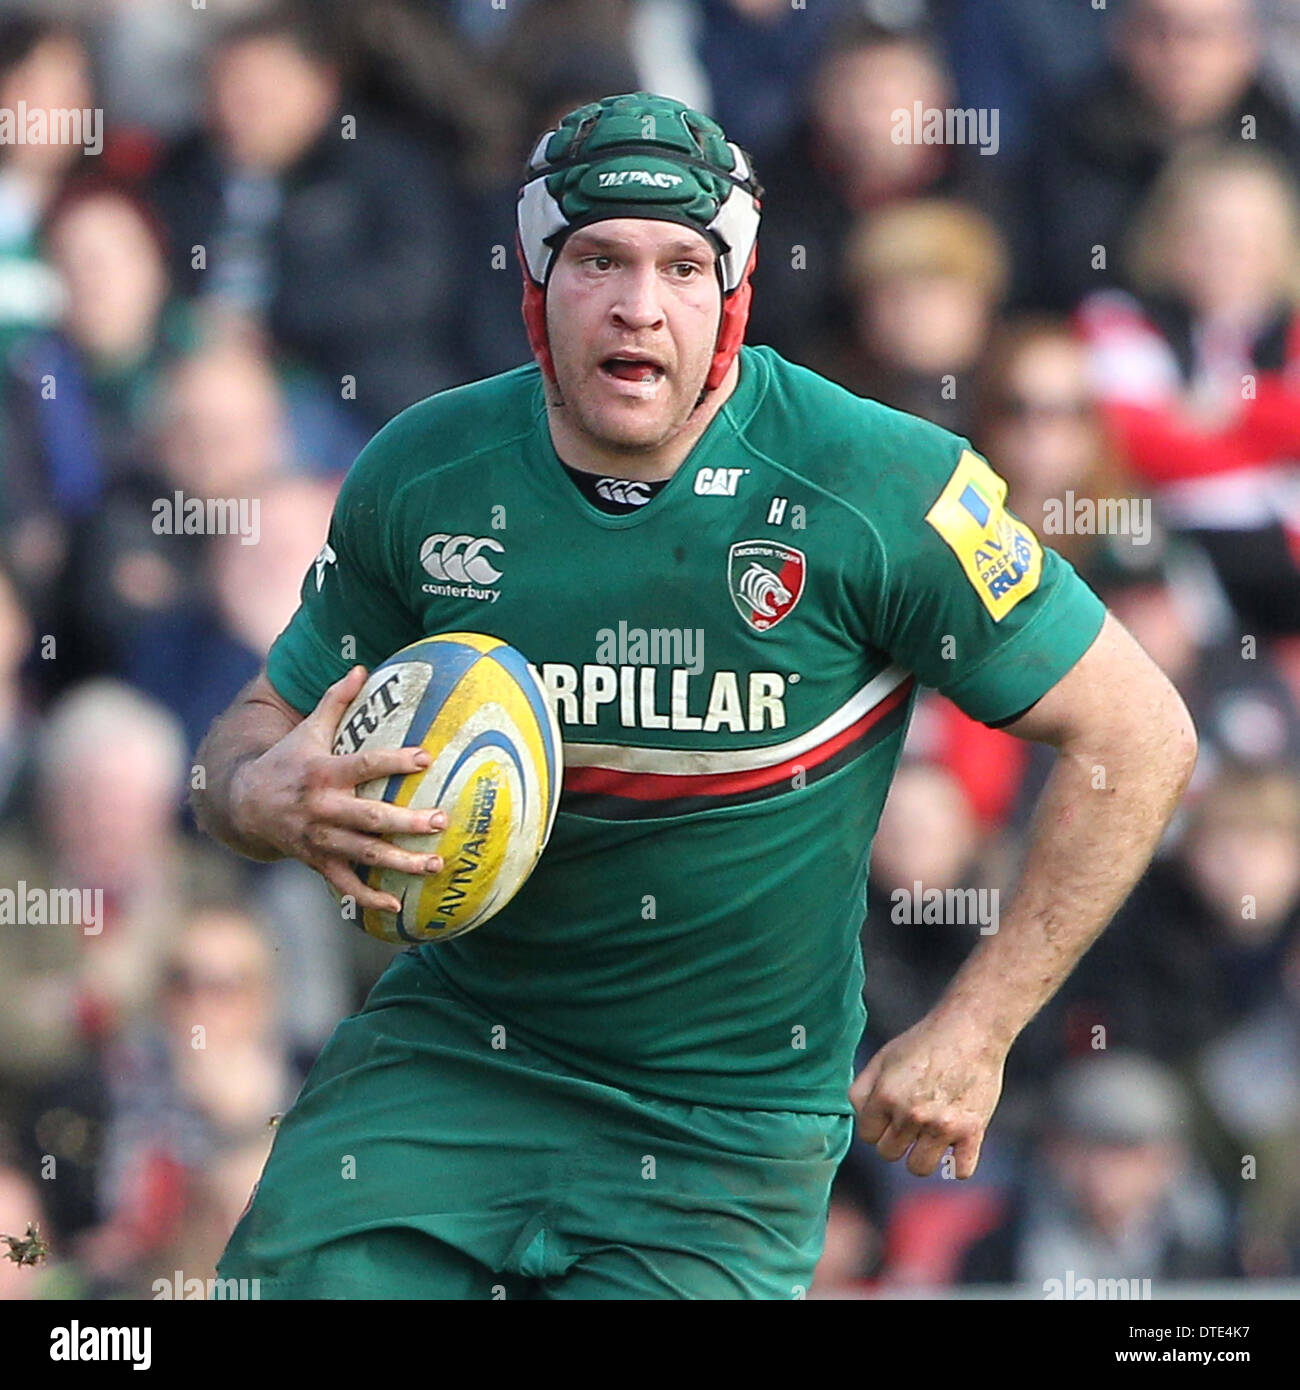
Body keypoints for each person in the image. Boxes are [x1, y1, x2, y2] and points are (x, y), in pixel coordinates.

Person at [192, 92, 1197, 1300]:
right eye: (599, 260)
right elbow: (246, 740)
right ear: (533, 281)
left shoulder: (879, 485)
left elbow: (1137, 733)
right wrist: (259, 792)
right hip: (450, 1063)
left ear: (733, 296)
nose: (638, 304)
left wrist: (976, 1028)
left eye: (682, 266)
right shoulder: (426, 470)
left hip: (727, 1128)